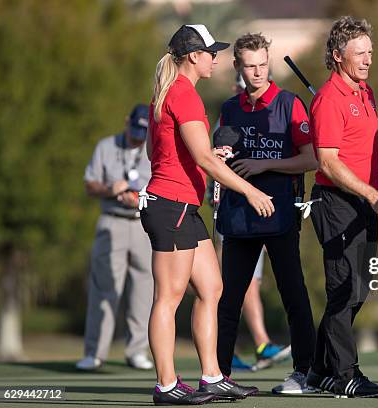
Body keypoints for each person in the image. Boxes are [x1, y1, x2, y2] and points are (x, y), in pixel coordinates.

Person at [141, 24, 274, 405]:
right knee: (168, 296)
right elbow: (198, 156)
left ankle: (212, 376)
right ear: (193, 57)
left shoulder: (170, 93)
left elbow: (161, 152)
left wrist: (202, 162)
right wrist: (249, 190)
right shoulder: (183, 94)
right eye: (210, 52)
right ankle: (166, 386)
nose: (215, 58)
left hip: (183, 205)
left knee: (212, 288)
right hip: (172, 206)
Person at [305, 16, 378, 398]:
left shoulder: (365, 92)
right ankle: (345, 374)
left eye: (370, 53)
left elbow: (362, 154)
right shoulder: (328, 99)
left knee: (362, 287)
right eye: (359, 53)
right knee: (344, 290)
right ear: (337, 56)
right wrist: (373, 195)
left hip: (365, 197)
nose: (367, 60)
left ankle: (317, 369)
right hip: (336, 202)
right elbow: (327, 162)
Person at [214, 33, 317, 394]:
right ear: (237, 66)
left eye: (262, 65)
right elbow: (221, 155)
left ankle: (305, 370)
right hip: (239, 216)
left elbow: (311, 159)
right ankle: (218, 375)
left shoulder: (289, 104)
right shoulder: (229, 108)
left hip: (279, 214)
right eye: (249, 66)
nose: (257, 72)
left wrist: (263, 164)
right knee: (227, 299)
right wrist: (220, 158)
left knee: (294, 294)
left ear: (268, 63)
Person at [208, 74, 291, 372]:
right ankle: (244, 349)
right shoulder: (228, 119)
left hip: (254, 216)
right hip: (232, 216)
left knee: (247, 284)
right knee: (230, 287)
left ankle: (254, 345)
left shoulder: (269, 114)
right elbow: (215, 169)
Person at [77, 104, 154, 372]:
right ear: (126, 122)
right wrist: (110, 189)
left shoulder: (153, 149)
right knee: (104, 288)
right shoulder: (106, 147)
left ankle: (137, 351)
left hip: (143, 224)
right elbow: (89, 185)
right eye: (134, 131)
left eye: (142, 133)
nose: (137, 137)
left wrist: (136, 198)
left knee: (144, 290)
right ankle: (94, 353)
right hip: (112, 223)